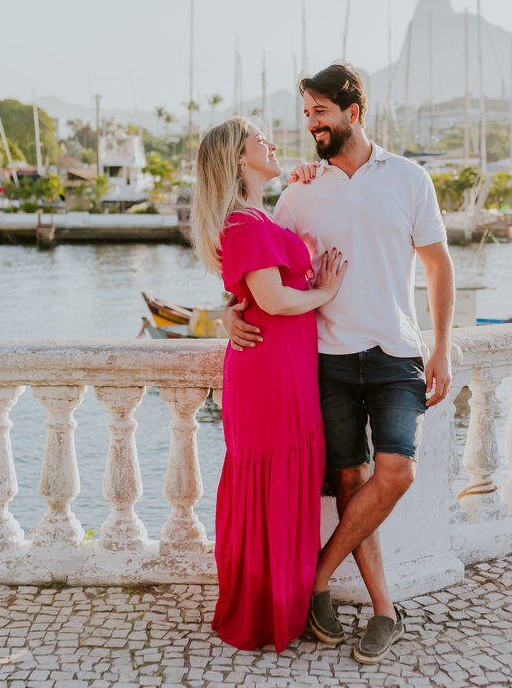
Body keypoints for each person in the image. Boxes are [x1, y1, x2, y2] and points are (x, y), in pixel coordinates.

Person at [222, 62, 455, 664]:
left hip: (396, 351)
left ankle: (317, 577)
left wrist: (442, 345)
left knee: (397, 471)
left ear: (354, 112)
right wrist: (227, 310)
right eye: (306, 114)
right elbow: (256, 262)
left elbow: (437, 267)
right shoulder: (298, 190)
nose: (311, 124)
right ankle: (384, 611)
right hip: (325, 359)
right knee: (350, 481)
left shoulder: (408, 179)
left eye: (319, 112)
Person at [190, 116, 348, 652]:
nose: (273, 142)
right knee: (269, 483)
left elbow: (254, 295)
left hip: (288, 365)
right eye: (261, 139)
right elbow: (275, 301)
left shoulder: (258, 215)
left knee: (287, 481)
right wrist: (325, 294)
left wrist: (308, 174)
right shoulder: (244, 223)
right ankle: (263, 611)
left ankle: (283, 603)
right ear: (239, 157)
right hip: (268, 371)